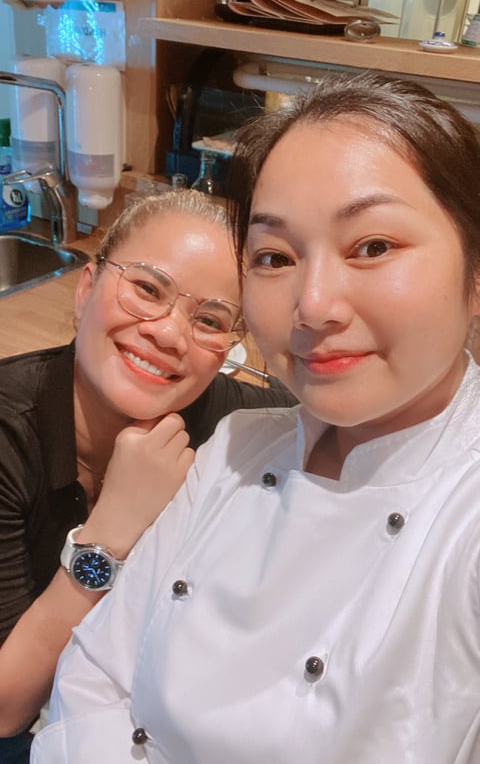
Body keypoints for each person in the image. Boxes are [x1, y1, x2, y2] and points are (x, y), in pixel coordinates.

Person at [31, 70, 480, 764]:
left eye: (372, 245)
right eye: (274, 256)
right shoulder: (237, 446)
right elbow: (88, 679)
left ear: (474, 274)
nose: (314, 304)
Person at [0, 189, 296, 762]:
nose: (168, 333)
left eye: (209, 319)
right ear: (86, 289)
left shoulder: (237, 425)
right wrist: (109, 535)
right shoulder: (11, 430)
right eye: (146, 289)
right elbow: (6, 708)